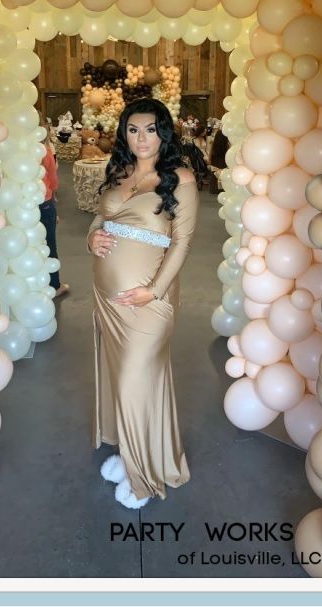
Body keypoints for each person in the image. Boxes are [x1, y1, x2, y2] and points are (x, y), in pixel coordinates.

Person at [86, 98, 199, 509]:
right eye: (133, 130)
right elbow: (101, 220)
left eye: (150, 129)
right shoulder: (117, 171)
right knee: (123, 378)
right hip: (108, 298)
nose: (141, 138)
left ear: (163, 132)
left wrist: (154, 290)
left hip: (150, 300)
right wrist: (90, 238)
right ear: (124, 134)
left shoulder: (180, 177)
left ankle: (145, 477)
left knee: (136, 377)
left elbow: (183, 242)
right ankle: (131, 452)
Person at [39, 125, 69, 298]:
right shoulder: (45, 151)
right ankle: (54, 285)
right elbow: (52, 178)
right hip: (44, 202)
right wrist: (54, 195)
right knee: (49, 243)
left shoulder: (22, 150)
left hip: (23, 204)